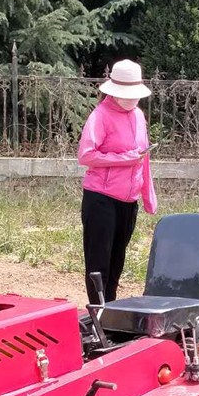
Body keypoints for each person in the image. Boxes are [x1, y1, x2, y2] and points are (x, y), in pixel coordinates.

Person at [78, 59, 157, 304]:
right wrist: (123, 159)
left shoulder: (139, 116)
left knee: (117, 258)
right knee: (99, 260)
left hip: (128, 200)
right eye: (126, 95)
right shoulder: (100, 116)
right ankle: (97, 310)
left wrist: (147, 195)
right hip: (101, 198)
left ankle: (110, 307)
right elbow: (86, 155)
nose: (131, 100)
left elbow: (143, 159)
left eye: (135, 95)